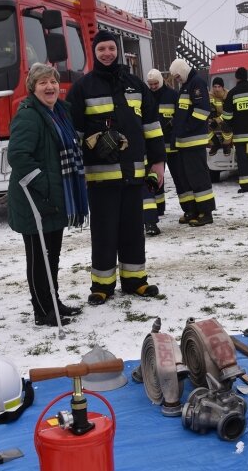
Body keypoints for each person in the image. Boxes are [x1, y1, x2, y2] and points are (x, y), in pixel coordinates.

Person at [67, 30, 166, 305]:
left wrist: (158, 162)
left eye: (111, 48)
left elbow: (152, 126)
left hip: (133, 175)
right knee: (104, 233)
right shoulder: (82, 88)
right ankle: (102, 286)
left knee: (133, 231)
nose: (107, 53)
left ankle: (136, 282)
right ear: (94, 53)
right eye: (101, 50)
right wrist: (89, 142)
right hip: (100, 178)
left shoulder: (135, 84)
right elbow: (71, 131)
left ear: (118, 50)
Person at [7, 63, 87, 327]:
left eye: (52, 81)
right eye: (42, 83)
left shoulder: (60, 113)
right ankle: (42, 311)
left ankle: (54, 302)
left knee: (52, 255)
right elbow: (18, 156)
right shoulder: (29, 116)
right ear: (33, 87)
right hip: (34, 200)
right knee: (38, 258)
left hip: (55, 197)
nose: (49, 87)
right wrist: (43, 185)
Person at [168, 58, 216, 227]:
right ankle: (194, 210)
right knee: (189, 179)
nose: (176, 79)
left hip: (193, 141)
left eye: (177, 76)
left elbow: (202, 111)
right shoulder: (187, 85)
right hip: (185, 142)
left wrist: (185, 127)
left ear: (182, 70)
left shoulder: (196, 83)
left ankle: (206, 212)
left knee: (199, 177)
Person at [143, 68, 179, 236]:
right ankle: (158, 208)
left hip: (170, 143)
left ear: (161, 81)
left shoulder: (172, 95)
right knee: (155, 178)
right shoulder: (146, 95)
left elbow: (179, 116)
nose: (153, 87)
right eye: (150, 84)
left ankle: (161, 208)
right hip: (153, 145)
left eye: (156, 83)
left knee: (173, 176)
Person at [208, 77, 232, 156]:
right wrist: (211, 120)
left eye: (219, 87)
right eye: (215, 87)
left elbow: (229, 112)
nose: (217, 89)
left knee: (226, 126)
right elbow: (210, 110)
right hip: (215, 118)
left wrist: (219, 119)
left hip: (227, 118)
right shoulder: (209, 95)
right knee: (204, 127)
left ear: (222, 87)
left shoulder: (228, 95)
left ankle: (226, 145)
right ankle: (215, 144)